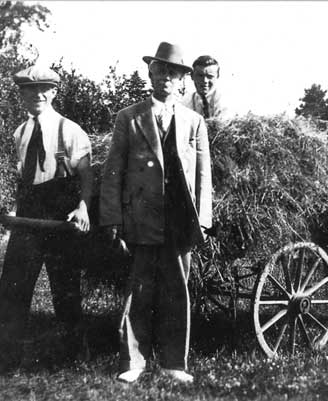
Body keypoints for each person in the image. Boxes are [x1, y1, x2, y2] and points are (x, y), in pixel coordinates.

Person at [99, 42, 212, 384]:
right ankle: (133, 361)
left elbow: (204, 175)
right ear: (150, 74)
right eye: (160, 70)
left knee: (177, 290)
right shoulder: (129, 118)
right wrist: (113, 218)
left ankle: (174, 362)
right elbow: (113, 170)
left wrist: (203, 220)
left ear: (182, 81)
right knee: (140, 290)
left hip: (180, 219)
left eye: (173, 73)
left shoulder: (194, 121)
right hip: (141, 217)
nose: (166, 77)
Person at [0, 65, 93, 374]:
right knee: (14, 286)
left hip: (60, 212)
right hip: (28, 213)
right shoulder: (19, 133)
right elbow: (19, 177)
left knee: (64, 288)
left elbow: (87, 175)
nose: (37, 95)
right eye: (29, 90)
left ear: (53, 93)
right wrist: (12, 207)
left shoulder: (70, 130)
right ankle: (6, 361)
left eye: (43, 90)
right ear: (22, 95)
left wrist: (83, 207)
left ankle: (73, 357)